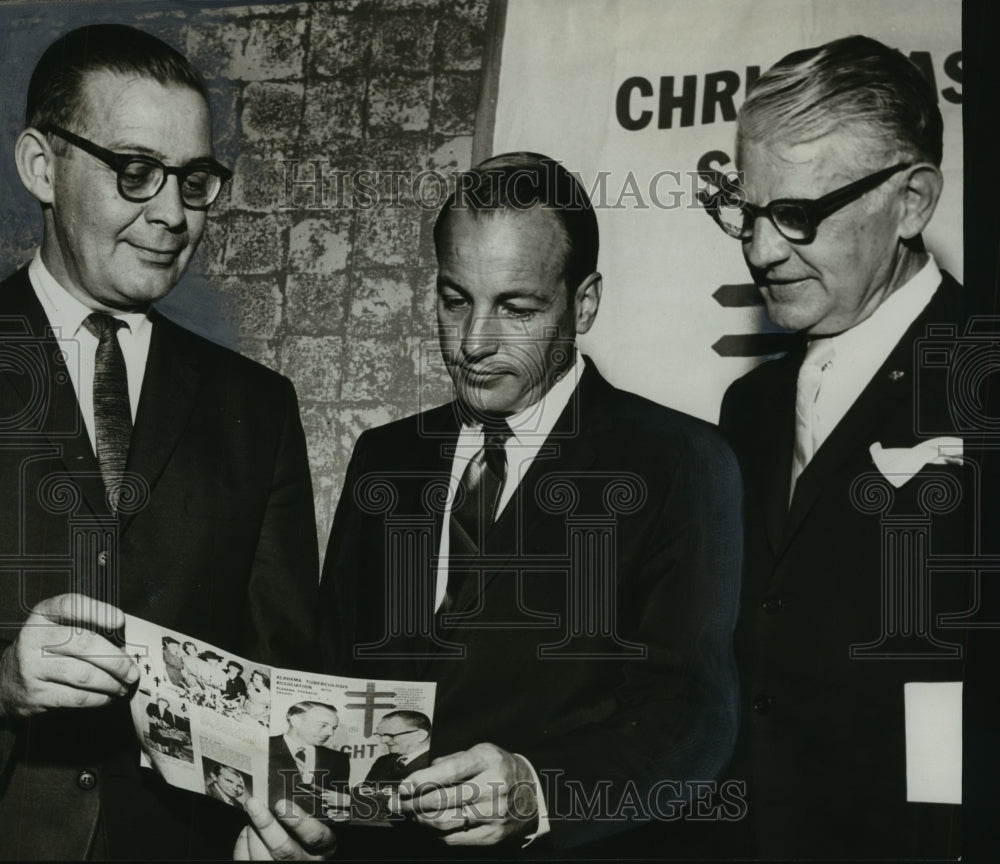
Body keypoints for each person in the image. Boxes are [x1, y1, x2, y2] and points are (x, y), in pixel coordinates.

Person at [239, 153, 742, 859]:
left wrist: (542, 792)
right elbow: (334, 675)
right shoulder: (386, 457)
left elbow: (693, 718)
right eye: (455, 298)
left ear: (585, 303)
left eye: (517, 307)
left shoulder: (681, 463)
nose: (474, 343)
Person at [0, 24, 319, 861]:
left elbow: (279, 670)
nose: (172, 214)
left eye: (195, 179)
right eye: (134, 171)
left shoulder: (260, 406)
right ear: (42, 165)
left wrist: (280, 818)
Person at [709, 35, 975, 859]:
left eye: (796, 215)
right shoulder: (747, 407)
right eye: (746, 211)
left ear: (912, 201)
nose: (759, 250)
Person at [268, 701, 351, 817]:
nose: (330, 733)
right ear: (296, 721)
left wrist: (340, 814)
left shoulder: (339, 759)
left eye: (334, 728)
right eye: (323, 725)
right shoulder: (262, 746)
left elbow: (341, 802)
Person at [365, 710, 432, 783]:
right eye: (380, 735)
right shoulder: (383, 761)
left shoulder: (435, 766)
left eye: (391, 735)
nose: (383, 741)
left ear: (420, 736)